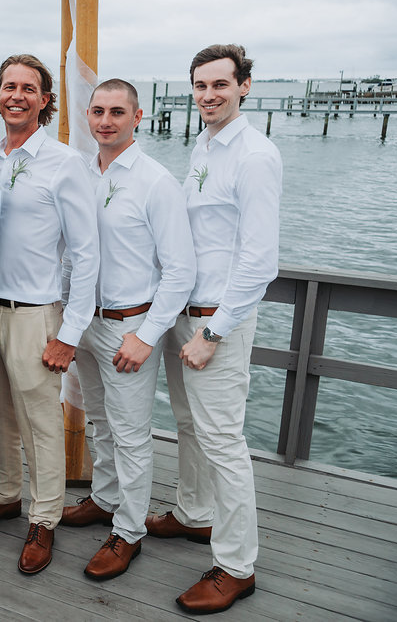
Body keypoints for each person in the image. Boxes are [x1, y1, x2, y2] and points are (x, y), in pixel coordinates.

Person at [146, 44, 282, 614]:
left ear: (244, 86)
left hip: (213, 323)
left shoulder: (254, 156)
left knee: (224, 442)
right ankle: (194, 514)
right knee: (188, 425)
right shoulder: (205, 143)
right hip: (185, 313)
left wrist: (214, 332)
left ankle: (236, 566)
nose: (208, 95)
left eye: (220, 85)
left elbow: (259, 261)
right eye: (200, 86)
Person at [60, 79, 195, 581]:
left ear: (138, 117)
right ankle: (105, 497)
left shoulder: (156, 182)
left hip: (128, 325)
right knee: (98, 418)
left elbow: (180, 270)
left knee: (133, 433)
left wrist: (147, 334)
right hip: (85, 321)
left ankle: (129, 531)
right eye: (97, 111)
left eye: (117, 112)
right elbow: (72, 251)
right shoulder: (80, 173)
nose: (105, 121)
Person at [0, 54, 99, 575]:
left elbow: (86, 253)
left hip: (35, 313)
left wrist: (69, 333)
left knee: (41, 420)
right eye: (8, 86)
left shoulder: (64, 162)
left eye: (29, 88)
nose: (16, 95)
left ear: (44, 100)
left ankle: (44, 517)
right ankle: (3, 493)